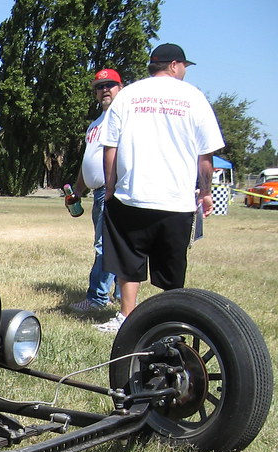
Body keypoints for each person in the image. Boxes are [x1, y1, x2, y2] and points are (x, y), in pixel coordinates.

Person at [96, 43, 223, 333]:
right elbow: (206, 156)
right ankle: (170, 319)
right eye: (184, 68)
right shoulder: (194, 98)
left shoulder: (127, 95)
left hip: (132, 195)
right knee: (172, 266)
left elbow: (110, 149)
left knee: (129, 262)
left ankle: (127, 317)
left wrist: (112, 188)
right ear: (176, 65)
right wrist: (205, 192)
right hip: (175, 200)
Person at [68, 68, 123, 313]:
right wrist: (78, 192)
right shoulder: (96, 124)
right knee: (113, 245)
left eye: (110, 85)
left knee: (105, 246)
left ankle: (98, 298)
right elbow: (88, 161)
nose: (104, 90)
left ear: (120, 87)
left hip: (114, 191)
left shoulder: (123, 117)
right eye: (99, 87)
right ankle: (119, 294)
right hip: (98, 192)